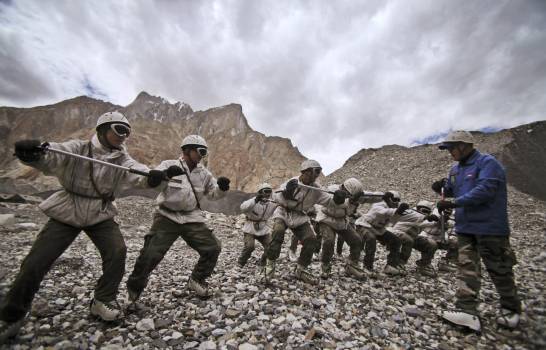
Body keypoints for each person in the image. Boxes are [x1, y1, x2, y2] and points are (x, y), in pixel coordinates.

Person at [0, 111, 154, 342]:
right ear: (102, 130)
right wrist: (32, 155)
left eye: (127, 132)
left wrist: (154, 176)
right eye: (119, 130)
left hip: (100, 212)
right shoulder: (78, 148)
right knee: (37, 260)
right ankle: (12, 315)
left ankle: (103, 299)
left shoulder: (123, 159)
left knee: (117, 251)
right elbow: (52, 157)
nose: (124, 136)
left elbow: (139, 174)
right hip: (68, 208)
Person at [434, 130, 521, 332]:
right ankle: (467, 311)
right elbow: (451, 189)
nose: (450, 153)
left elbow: (485, 190)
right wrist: (441, 188)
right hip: (465, 228)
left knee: (499, 269)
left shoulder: (488, 163)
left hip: (490, 227)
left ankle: (511, 308)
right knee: (466, 267)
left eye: (452, 148)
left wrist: (454, 203)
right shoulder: (455, 170)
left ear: (464, 145)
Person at [126, 135, 230, 301]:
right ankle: (133, 293)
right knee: (149, 255)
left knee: (213, 247)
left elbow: (212, 195)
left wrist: (222, 188)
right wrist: (165, 175)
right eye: (200, 151)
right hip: (167, 216)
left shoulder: (204, 174)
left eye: (205, 152)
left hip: (191, 217)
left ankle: (197, 279)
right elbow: (154, 185)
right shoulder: (169, 165)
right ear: (187, 150)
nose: (202, 156)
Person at [264, 159, 346, 284]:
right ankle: (269, 267)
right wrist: (287, 193)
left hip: (299, 215)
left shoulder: (317, 190)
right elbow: (276, 197)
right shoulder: (292, 182)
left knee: (311, 239)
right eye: (314, 172)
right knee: (277, 232)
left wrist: (338, 199)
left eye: (318, 173)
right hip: (283, 212)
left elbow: (329, 202)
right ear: (305, 171)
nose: (315, 176)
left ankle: (301, 269)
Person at [315, 178, 368, 280]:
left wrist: (352, 202)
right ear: (344, 187)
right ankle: (325, 267)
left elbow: (348, 212)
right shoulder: (331, 189)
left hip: (340, 221)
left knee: (356, 240)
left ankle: (351, 265)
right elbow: (323, 202)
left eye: (351, 195)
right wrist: (335, 200)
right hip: (326, 219)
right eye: (349, 194)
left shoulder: (352, 198)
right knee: (329, 241)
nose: (349, 196)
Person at [355, 191, 409, 275]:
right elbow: (382, 212)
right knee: (371, 239)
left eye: (398, 200)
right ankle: (367, 266)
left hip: (379, 229)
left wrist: (399, 212)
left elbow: (393, 220)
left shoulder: (394, 209)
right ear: (389, 199)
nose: (397, 202)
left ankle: (391, 265)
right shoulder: (379, 204)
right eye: (395, 200)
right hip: (365, 225)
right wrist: (397, 210)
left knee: (396, 240)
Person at [392, 200, 439, 277]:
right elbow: (398, 215)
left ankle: (424, 264)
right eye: (423, 210)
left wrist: (440, 217)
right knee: (408, 240)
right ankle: (399, 263)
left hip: (413, 236)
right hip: (398, 233)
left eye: (427, 211)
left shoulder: (425, 218)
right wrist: (428, 217)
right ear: (417, 208)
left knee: (432, 244)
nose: (425, 212)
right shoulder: (410, 213)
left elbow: (432, 222)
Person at [237, 183, 277, 268]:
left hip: (263, 229)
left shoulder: (272, 203)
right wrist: (256, 200)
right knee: (250, 246)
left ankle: (263, 262)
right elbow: (242, 208)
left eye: (269, 192)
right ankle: (241, 262)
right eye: (265, 191)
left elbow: (281, 204)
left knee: (270, 246)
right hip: (250, 229)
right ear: (260, 192)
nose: (267, 194)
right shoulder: (252, 202)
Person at [420, 207, 458, 272]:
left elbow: (452, 225)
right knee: (431, 245)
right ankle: (424, 264)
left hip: (440, 237)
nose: (447, 213)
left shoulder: (451, 216)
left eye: (448, 212)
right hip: (426, 236)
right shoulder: (433, 213)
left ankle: (446, 263)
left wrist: (446, 222)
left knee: (455, 242)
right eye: (445, 212)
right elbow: (422, 224)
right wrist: (437, 221)